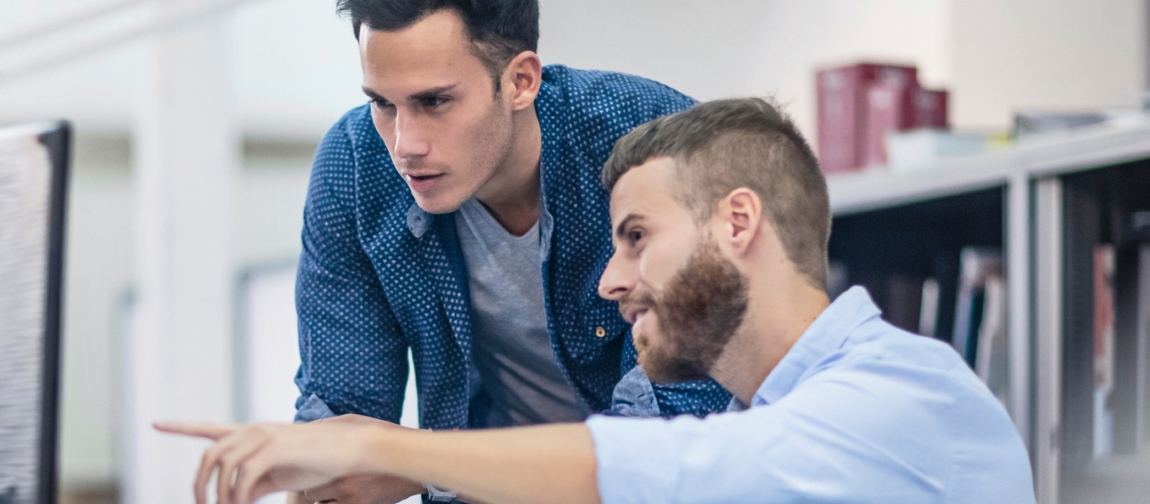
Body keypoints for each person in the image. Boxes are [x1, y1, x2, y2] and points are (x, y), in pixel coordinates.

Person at [160, 98, 1037, 504]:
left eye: (637, 238)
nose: (610, 282)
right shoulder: (778, 410)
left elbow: (657, 471)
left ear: (738, 222)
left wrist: (378, 442)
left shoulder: (901, 393)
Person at [291, 0, 733, 501]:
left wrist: (424, 462)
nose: (405, 143)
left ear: (520, 81)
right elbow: (343, 422)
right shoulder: (355, 167)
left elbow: (675, 421)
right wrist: (313, 468)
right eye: (383, 104)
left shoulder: (651, 140)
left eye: (434, 102)